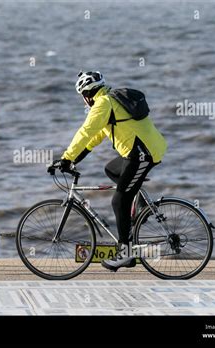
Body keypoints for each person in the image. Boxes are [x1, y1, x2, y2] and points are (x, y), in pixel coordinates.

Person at [59, 71, 167, 271]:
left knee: (118, 201)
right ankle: (138, 203)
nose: (83, 102)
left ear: (87, 94)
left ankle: (124, 253)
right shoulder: (110, 101)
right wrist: (78, 157)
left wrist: (67, 158)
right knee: (111, 169)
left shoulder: (102, 104)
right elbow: (98, 134)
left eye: (83, 97)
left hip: (142, 154)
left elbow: (86, 131)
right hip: (143, 150)